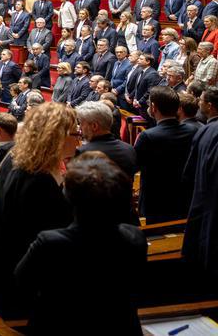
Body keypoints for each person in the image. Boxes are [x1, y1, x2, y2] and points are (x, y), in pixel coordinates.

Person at [14, 152, 146, 336]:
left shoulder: (49, 243)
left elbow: (21, 284)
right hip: (118, 327)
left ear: (68, 196)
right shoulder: (135, 237)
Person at [0, 102, 76, 317]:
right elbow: (46, 236)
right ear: (57, 136)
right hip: (19, 279)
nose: (79, 140)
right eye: (75, 133)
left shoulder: (17, 157)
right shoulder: (40, 179)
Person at [135, 86, 196, 223]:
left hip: (156, 201)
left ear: (153, 107)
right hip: (185, 197)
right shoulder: (193, 131)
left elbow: (134, 165)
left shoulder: (148, 136)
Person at [183, 86, 218, 281]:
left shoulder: (205, 131)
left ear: (210, 106)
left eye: (201, 100)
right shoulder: (203, 129)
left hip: (204, 205)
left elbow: (189, 174)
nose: (199, 103)